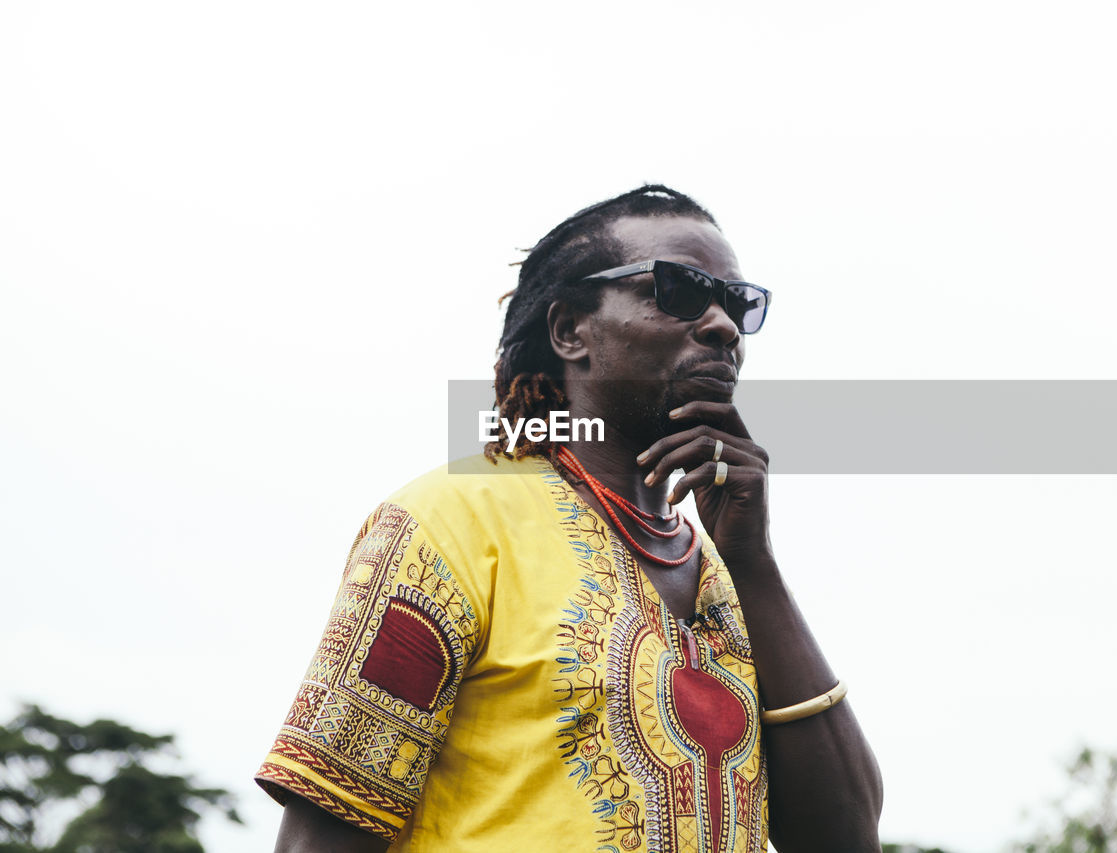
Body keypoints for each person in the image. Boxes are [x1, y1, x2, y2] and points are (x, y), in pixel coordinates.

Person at [257, 185, 883, 852]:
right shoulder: (448, 523)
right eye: (678, 290)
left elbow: (846, 837)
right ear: (568, 330)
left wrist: (754, 565)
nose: (723, 324)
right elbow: (318, 839)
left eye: (738, 303)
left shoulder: (725, 575)